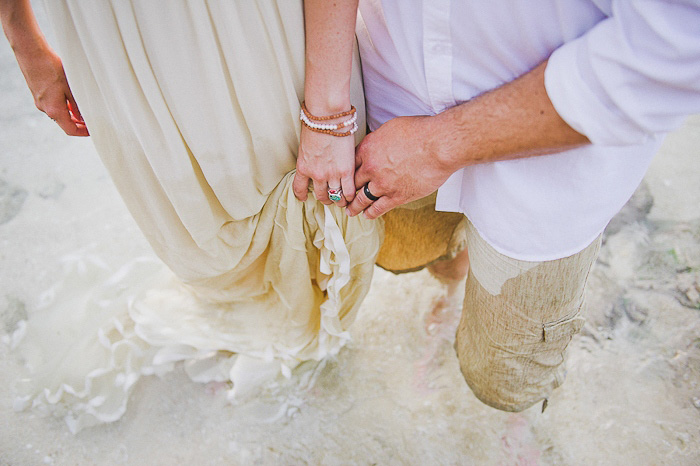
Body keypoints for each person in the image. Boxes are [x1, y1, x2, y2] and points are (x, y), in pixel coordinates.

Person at [1, 0, 384, 432]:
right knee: (190, 216)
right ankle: (266, 343)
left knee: (298, 180)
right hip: (106, 29)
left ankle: (304, 351)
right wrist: (25, 41)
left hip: (240, 18)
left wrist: (327, 114)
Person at [334, 0, 700, 412]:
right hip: (396, 97)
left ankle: (517, 417)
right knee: (416, 253)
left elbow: (676, 52)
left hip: (549, 168)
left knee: (504, 378)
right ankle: (454, 289)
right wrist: (324, 114)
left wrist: (437, 149)